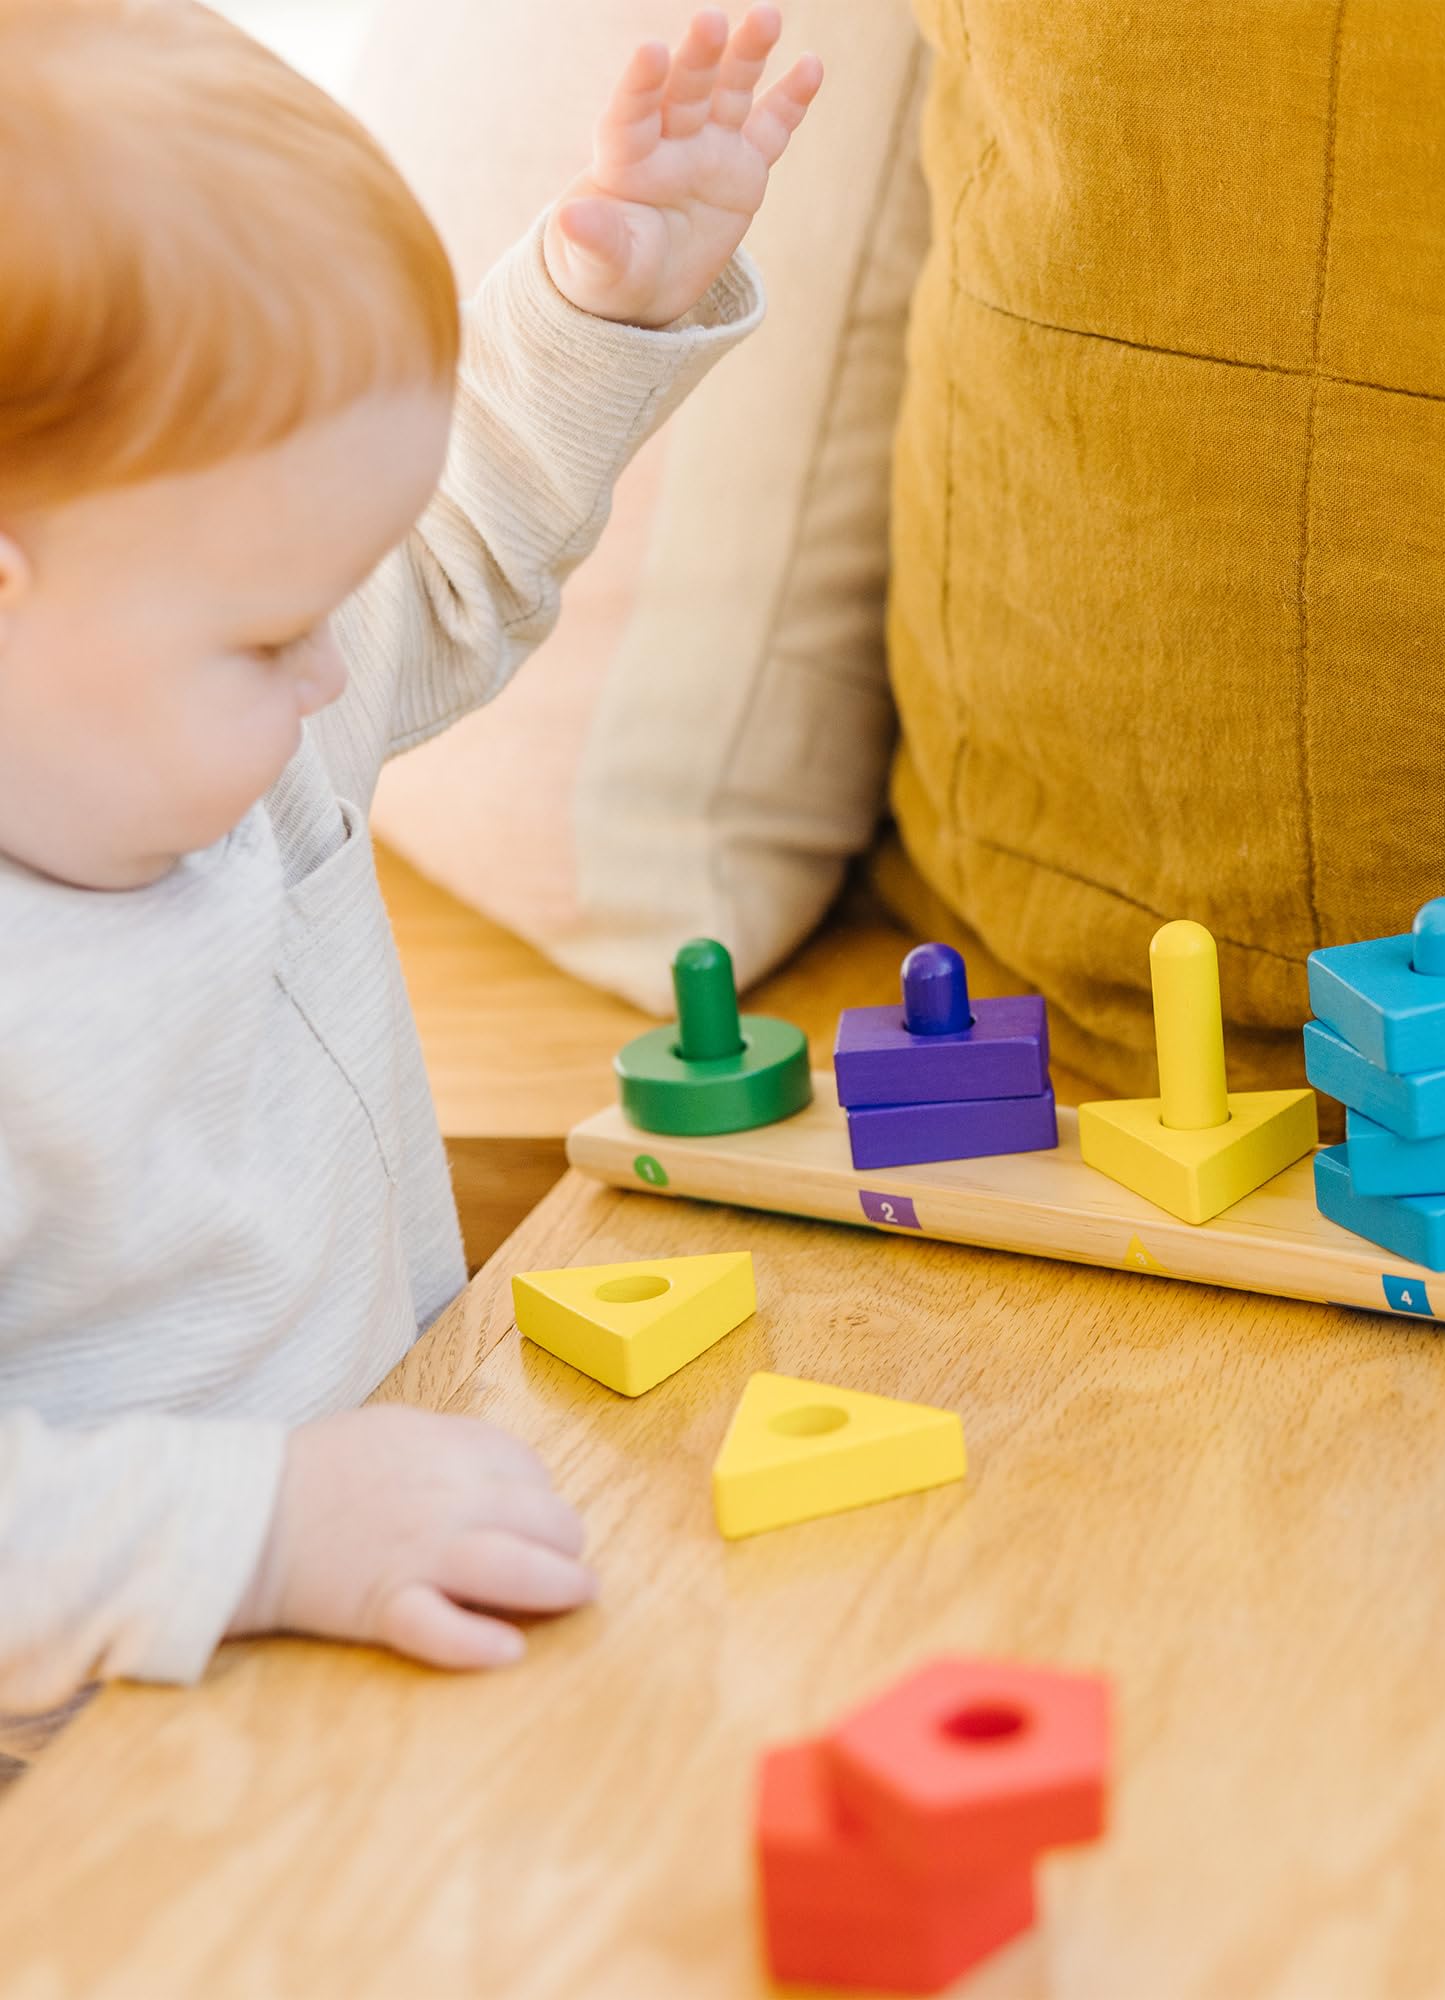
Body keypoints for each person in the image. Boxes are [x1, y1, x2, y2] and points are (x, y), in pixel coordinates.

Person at [0, 0, 820, 1718]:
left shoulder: (212, 720)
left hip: (371, 1581)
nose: (332, 671)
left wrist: (603, 306)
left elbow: (442, 563)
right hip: (99, 1758)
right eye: (269, 631)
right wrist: (265, 1532)